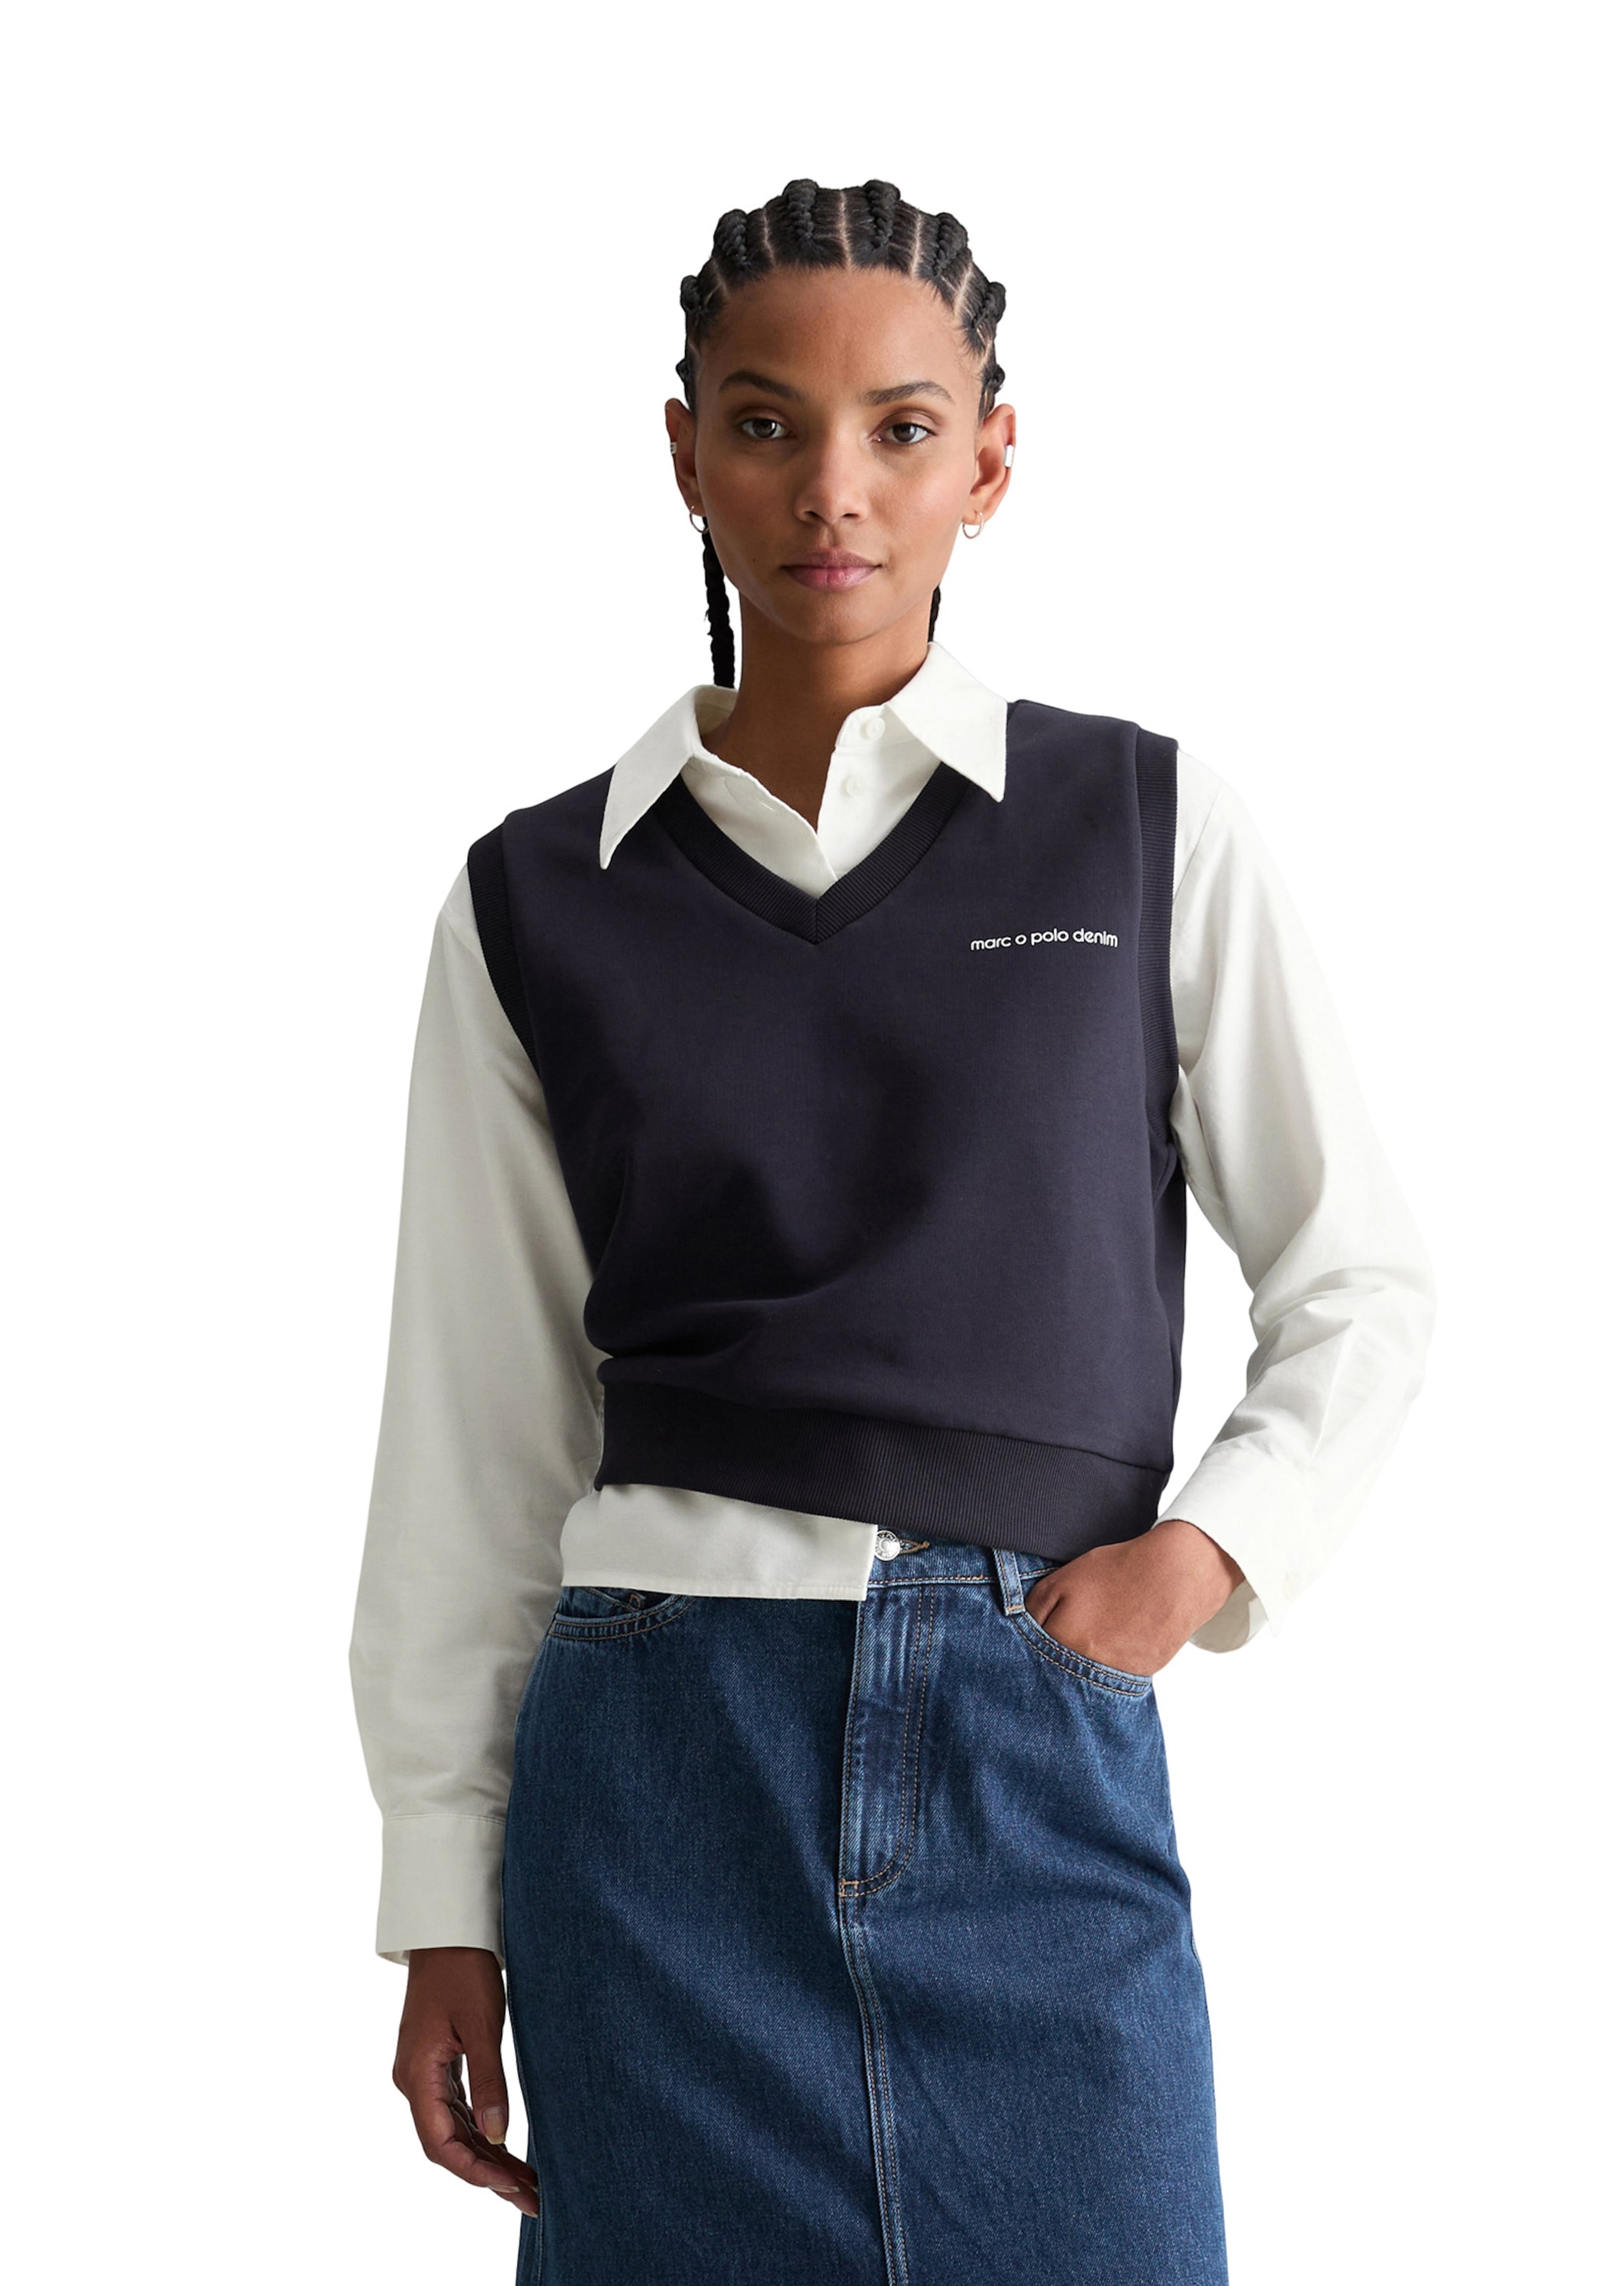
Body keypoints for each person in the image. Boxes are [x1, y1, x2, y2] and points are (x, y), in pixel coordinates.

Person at [349, 177, 1435, 2285]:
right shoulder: (539, 899)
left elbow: (1361, 1278)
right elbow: (475, 1427)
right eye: (766, 425)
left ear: (989, 463)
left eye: (900, 428)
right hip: (652, 1769)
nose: (830, 488)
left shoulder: (1142, 823)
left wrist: (1203, 1559)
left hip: (1031, 1735)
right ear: (685, 452)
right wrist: (443, 1896)